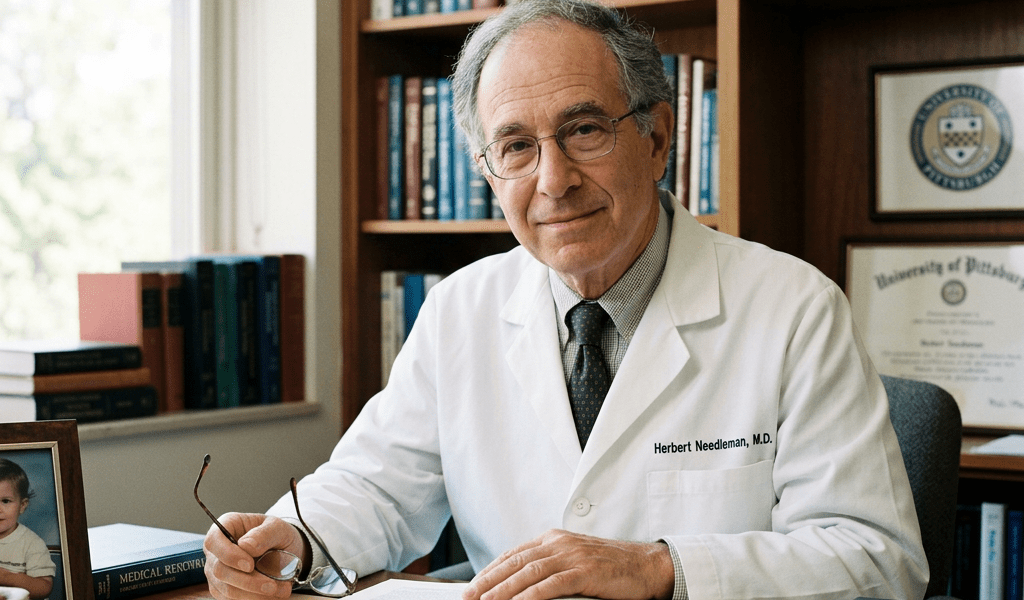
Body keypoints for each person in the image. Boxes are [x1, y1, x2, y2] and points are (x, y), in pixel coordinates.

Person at [203, 1, 928, 599]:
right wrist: (292, 539)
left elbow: (875, 558)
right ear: (489, 170)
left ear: (658, 138)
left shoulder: (793, 307)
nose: (553, 180)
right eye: (516, 146)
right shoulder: (461, 309)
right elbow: (377, 488)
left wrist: (658, 566)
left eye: (584, 130)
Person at [0, 459, 55, 600]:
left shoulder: (31, 543)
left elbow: (44, 588)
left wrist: (6, 577)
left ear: (22, 505)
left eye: (5, 501)